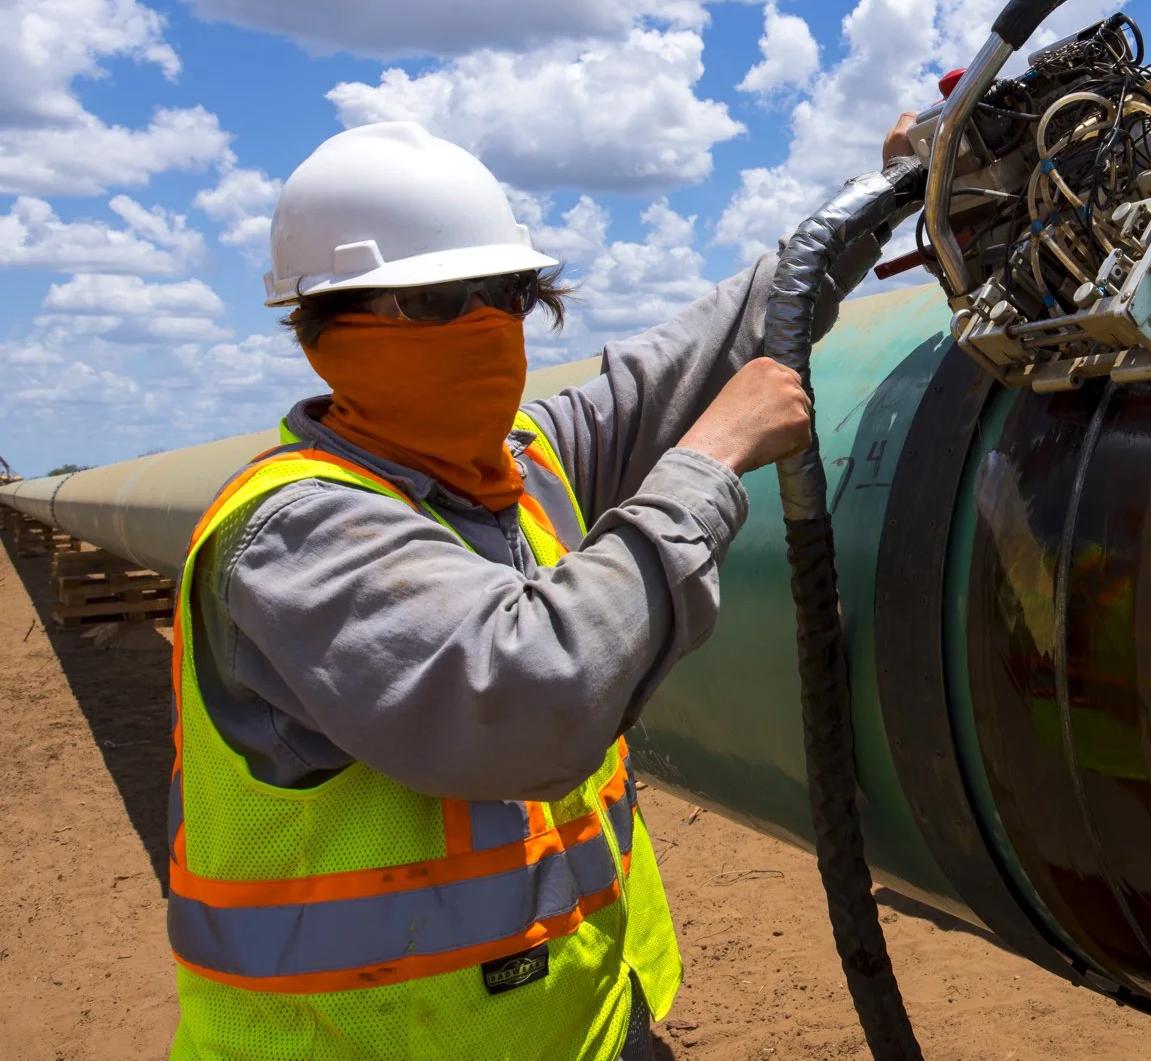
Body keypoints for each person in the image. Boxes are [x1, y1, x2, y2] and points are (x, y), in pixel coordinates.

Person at [165, 118, 904, 1059]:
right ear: (326, 332)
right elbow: (524, 698)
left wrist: (881, 194)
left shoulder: (522, 465)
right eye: (437, 303)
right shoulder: (293, 534)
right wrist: (711, 459)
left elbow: (723, 334)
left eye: (509, 294)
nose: (487, 326)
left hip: (588, 1027)